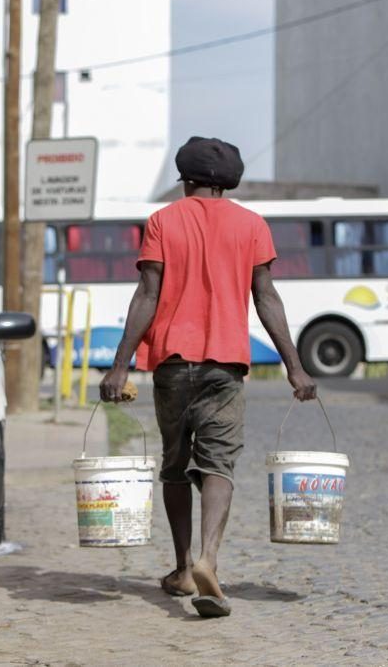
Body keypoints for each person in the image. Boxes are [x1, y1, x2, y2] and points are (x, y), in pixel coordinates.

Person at [100, 136, 317, 619]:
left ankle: (181, 567)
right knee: (218, 462)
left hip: (173, 365)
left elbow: (147, 295)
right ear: (227, 182)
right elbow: (266, 299)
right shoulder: (252, 225)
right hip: (226, 365)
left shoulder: (163, 221)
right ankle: (208, 559)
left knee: (176, 465)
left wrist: (120, 365)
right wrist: (295, 367)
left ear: (187, 181)